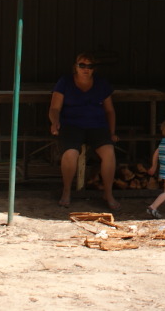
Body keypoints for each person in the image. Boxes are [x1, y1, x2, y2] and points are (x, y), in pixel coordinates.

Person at [48, 52, 120, 210]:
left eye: (90, 66)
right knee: (70, 153)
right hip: (71, 125)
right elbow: (54, 108)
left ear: (94, 69)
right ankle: (67, 191)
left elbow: (109, 111)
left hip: (97, 125)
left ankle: (108, 193)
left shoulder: (101, 84)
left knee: (109, 152)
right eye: (82, 65)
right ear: (75, 66)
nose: (86, 69)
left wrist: (112, 132)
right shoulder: (65, 82)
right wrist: (55, 122)